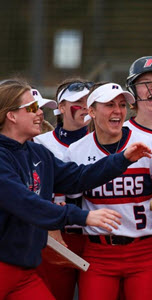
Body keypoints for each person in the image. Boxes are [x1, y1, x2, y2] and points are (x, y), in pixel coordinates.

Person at [0, 79, 152, 300]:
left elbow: (77, 177)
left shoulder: (37, 153)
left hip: (23, 272)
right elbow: (26, 204)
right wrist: (83, 216)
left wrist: (122, 159)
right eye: (32, 108)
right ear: (11, 116)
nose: (40, 113)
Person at [65, 82, 152, 300]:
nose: (118, 111)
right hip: (98, 252)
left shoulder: (148, 144)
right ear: (91, 111)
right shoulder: (76, 150)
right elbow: (73, 205)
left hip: (144, 252)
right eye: (109, 104)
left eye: (122, 104)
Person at [33, 79, 92, 300]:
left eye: (89, 100)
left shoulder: (106, 141)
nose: (86, 106)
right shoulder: (39, 142)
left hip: (95, 237)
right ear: (61, 107)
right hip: (55, 236)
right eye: (79, 101)